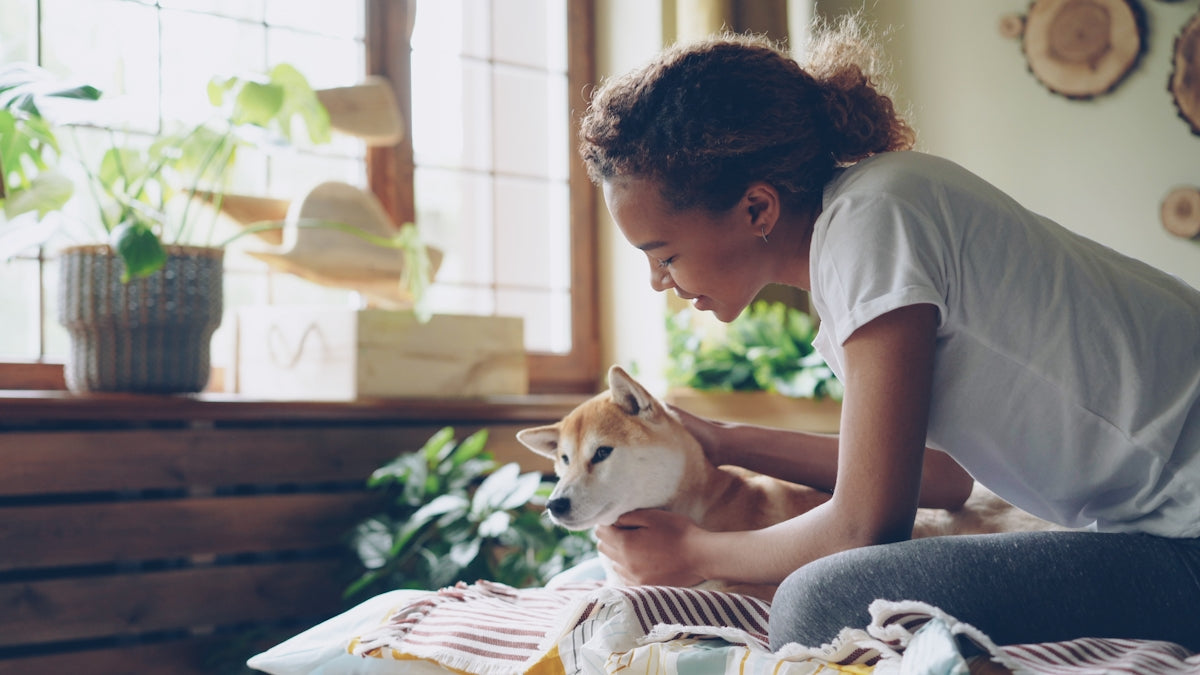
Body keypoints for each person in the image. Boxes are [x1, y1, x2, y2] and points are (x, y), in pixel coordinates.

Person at [576, 17, 1200, 653]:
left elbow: (865, 526)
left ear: (758, 208)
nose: (657, 281)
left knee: (819, 601)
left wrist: (693, 551)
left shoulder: (871, 229)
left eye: (664, 254)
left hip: (1190, 533)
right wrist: (724, 441)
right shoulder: (869, 216)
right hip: (1170, 527)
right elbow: (946, 478)